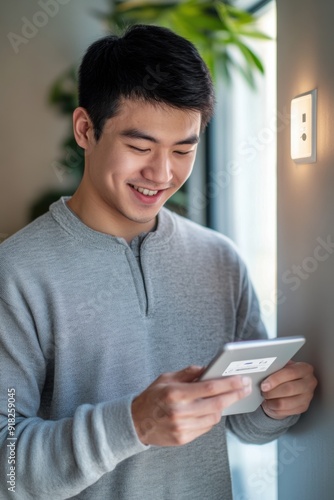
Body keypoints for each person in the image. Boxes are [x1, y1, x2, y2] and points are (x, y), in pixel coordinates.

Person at [0, 25, 317, 500]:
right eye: (140, 147)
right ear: (85, 129)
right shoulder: (17, 271)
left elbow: (247, 427)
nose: (163, 174)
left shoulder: (219, 259)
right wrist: (133, 423)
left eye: (184, 149)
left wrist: (276, 405)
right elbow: (7, 467)